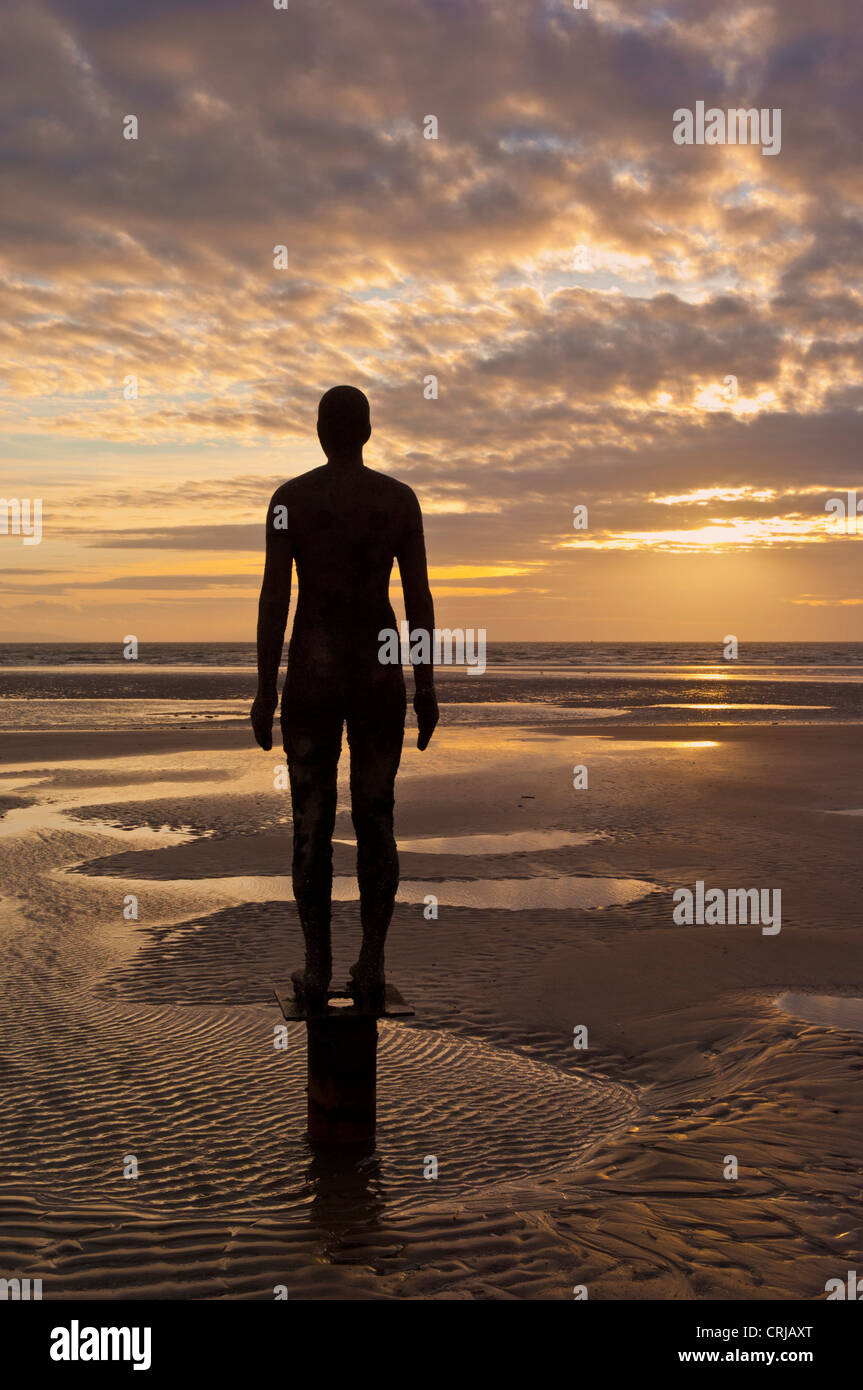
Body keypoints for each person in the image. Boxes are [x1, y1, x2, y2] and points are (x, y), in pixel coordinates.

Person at [251, 385, 439, 1011]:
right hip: (380, 673)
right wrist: (426, 685)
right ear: (366, 431)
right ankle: (371, 961)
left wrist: (262, 687)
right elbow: (418, 600)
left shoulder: (290, 501)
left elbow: (275, 598)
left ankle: (317, 962)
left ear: (320, 431)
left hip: (312, 671)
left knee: (311, 820)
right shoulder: (397, 501)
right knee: (375, 817)